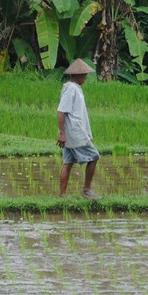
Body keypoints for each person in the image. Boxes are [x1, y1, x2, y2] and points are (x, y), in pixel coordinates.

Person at [57, 58, 100, 199]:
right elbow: (61, 111)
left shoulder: (74, 88)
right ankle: (87, 189)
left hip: (71, 133)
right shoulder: (71, 89)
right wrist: (62, 133)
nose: (86, 77)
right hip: (75, 133)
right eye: (84, 74)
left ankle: (62, 195)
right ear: (77, 75)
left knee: (68, 163)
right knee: (94, 156)